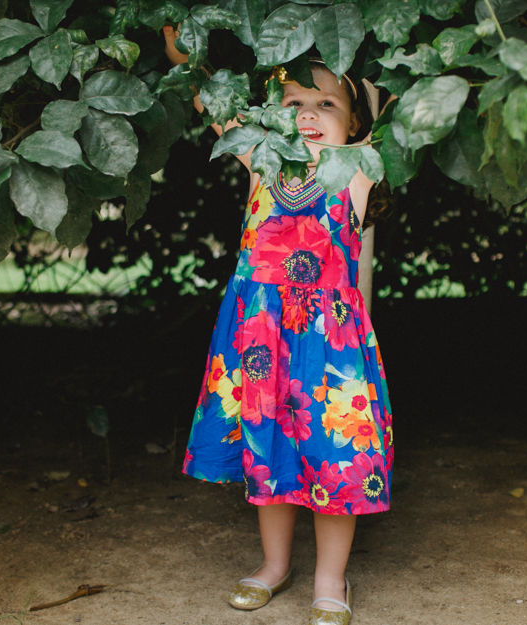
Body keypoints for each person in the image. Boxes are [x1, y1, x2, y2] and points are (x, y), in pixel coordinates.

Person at [165, 25, 393, 625]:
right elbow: (215, 107)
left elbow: (407, 116)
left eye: (327, 104)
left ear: (355, 122)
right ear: (272, 114)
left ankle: (330, 579)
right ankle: (274, 565)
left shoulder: (358, 169)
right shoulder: (262, 162)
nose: (310, 115)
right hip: (260, 338)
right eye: (295, 103)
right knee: (269, 450)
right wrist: (186, 58)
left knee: (335, 454)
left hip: (328, 345)